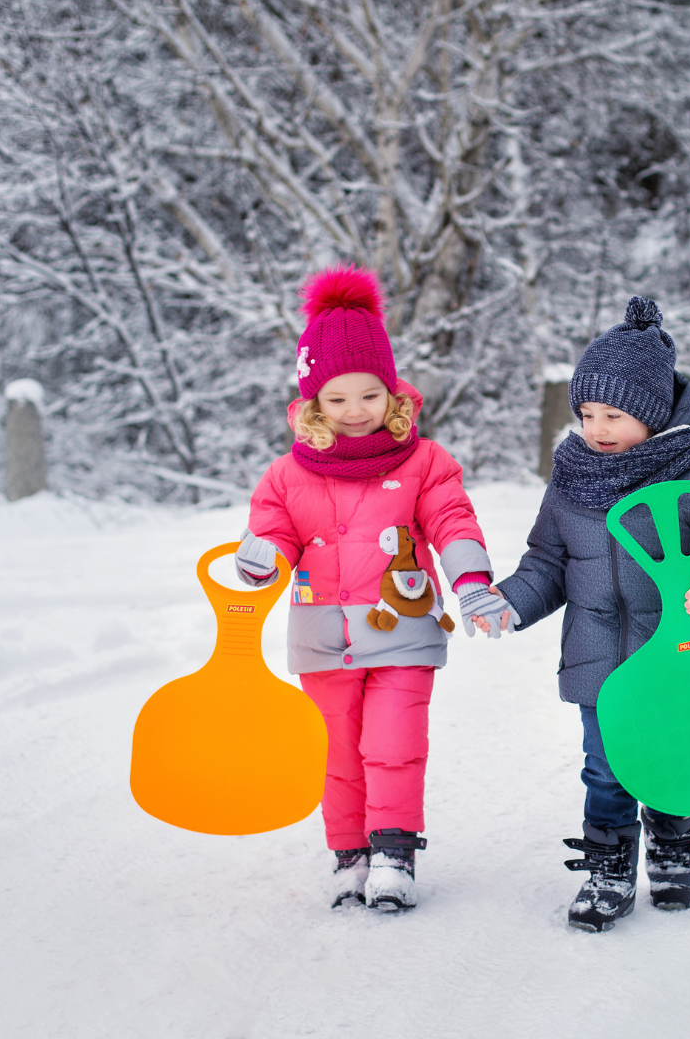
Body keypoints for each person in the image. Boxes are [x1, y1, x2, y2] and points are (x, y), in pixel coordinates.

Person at [473, 296, 690, 932]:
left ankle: (670, 846)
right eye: (587, 413)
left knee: (670, 754)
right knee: (607, 768)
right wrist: (511, 600)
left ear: (653, 414)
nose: (598, 427)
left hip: (674, 658)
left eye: (615, 413)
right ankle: (608, 868)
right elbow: (547, 563)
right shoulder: (571, 482)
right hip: (599, 663)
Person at [236, 266, 508, 912]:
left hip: (403, 628)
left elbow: (452, 520)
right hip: (322, 635)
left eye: (369, 394)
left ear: (392, 393)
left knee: (394, 744)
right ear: (311, 404)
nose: (355, 411)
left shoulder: (424, 461)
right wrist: (258, 560)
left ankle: (393, 853)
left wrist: (471, 580)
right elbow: (272, 537)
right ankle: (348, 854)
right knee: (336, 751)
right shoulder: (284, 475)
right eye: (337, 398)